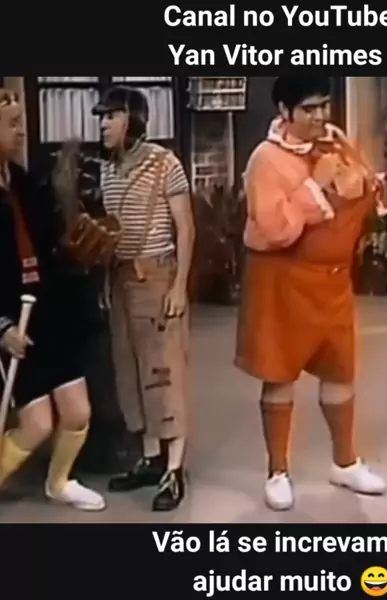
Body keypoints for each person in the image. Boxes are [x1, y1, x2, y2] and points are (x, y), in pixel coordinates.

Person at [235, 77, 387, 510]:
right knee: (279, 375)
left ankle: (345, 463)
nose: (319, 116)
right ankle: (277, 471)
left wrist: (381, 194)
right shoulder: (265, 160)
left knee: (340, 372)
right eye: (309, 108)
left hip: (332, 282)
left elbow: (359, 193)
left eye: (324, 106)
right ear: (285, 111)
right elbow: (274, 229)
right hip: (282, 281)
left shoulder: (336, 142)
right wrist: (315, 185)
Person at [0, 88, 106, 511]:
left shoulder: (24, 183)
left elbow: (48, 248)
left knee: (78, 412)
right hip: (13, 322)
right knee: (38, 423)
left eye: (21, 122)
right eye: (12, 124)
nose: (21, 131)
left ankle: (59, 483)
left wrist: (73, 250)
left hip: (48, 312)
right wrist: (3, 329)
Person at [92, 86, 195, 511]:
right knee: (130, 373)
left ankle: (175, 469)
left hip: (157, 277)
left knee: (163, 373)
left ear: (133, 120)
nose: (103, 124)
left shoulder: (165, 164)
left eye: (111, 116)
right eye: (101, 117)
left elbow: (185, 228)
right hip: (120, 279)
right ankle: (151, 458)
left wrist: (179, 285)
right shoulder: (107, 170)